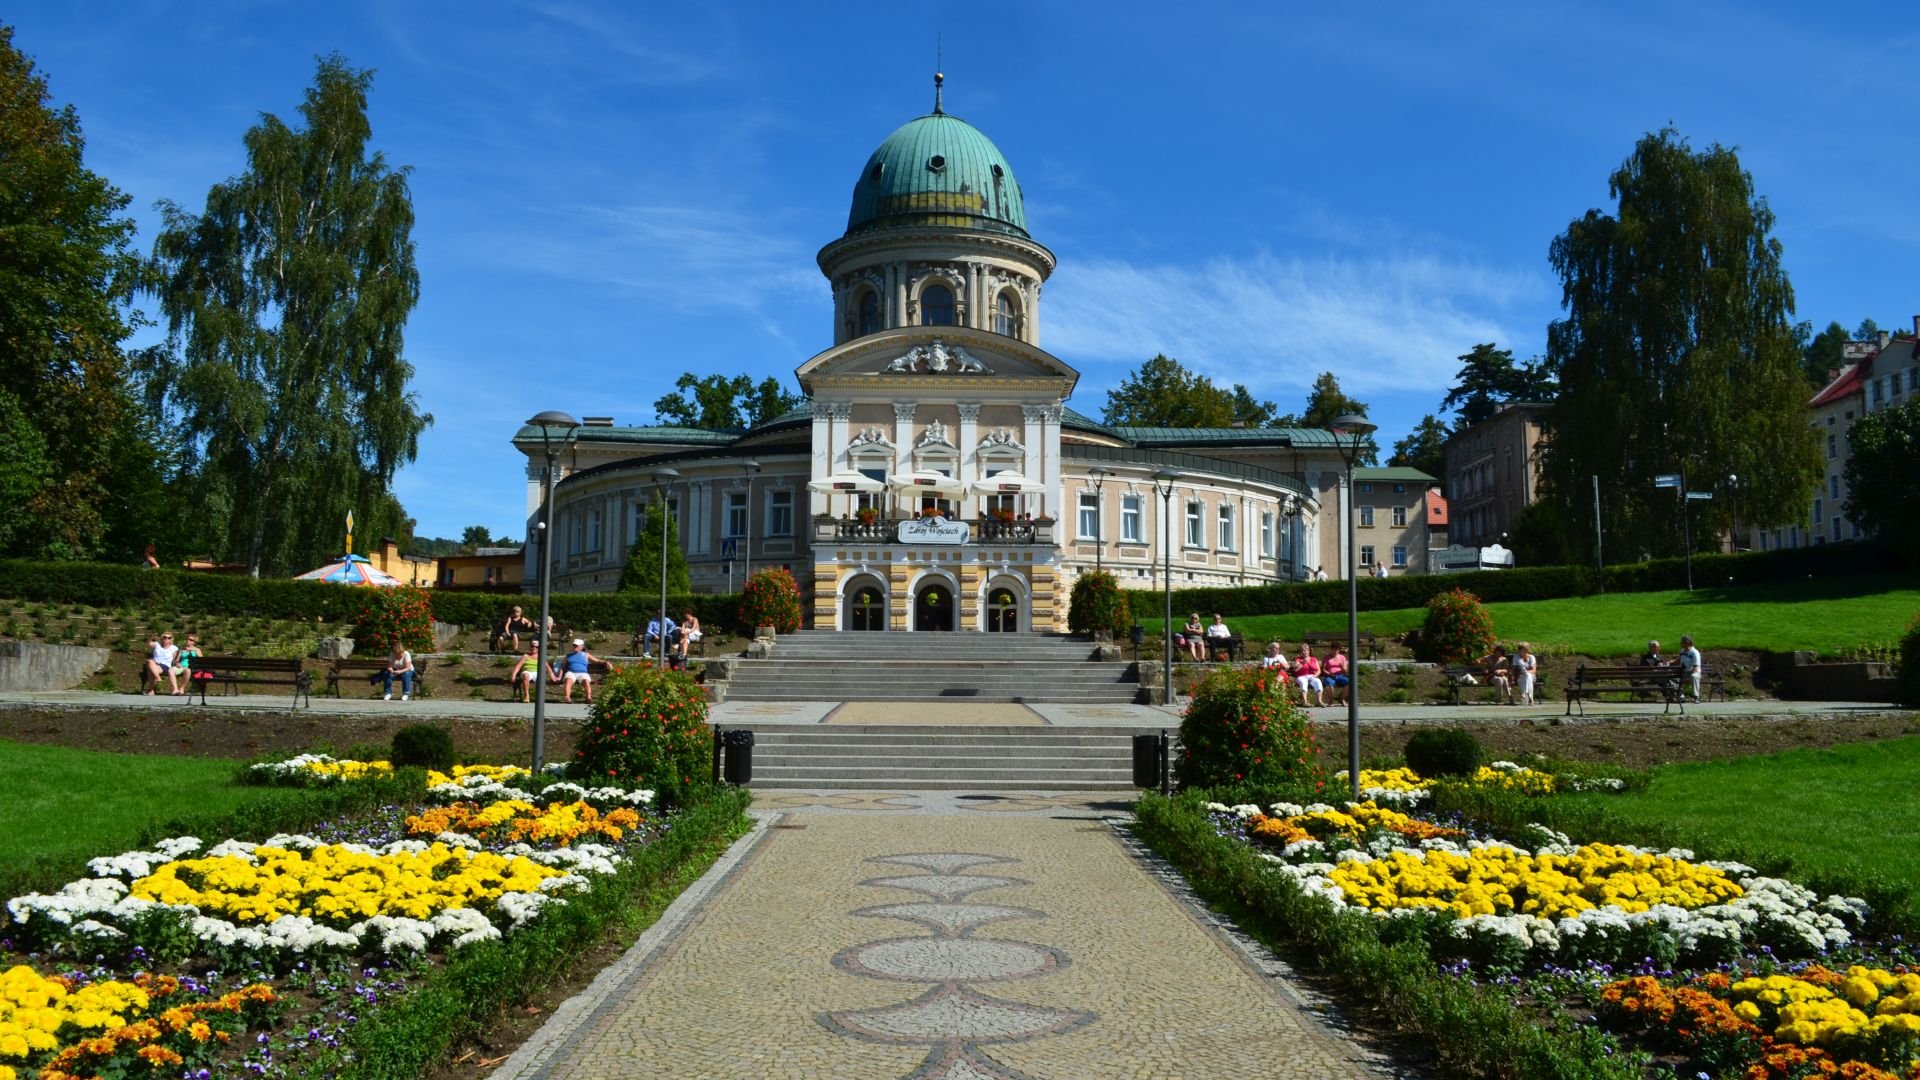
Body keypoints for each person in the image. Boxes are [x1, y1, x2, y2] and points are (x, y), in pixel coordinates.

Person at [558, 639, 598, 703]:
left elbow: (597, 661)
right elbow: (562, 667)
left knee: (586, 681)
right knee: (568, 680)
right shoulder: (568, 655)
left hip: (582, 673)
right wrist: (559, 677)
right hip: (571, 672)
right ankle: (567, 697)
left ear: (581, 647)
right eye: (574, 645)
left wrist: (606, 662)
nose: (574, 646)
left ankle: (588, 697)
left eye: (576, 645)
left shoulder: (585, 654)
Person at [1677, 634, 1703, 702]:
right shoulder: (1682, 651)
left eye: (1682, 642)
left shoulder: (1694, 652)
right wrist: (1668, 662)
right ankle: (1681, 697)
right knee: (1676, 678)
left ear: (1687, 643)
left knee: (1694, 677)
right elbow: (1678, 660)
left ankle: (1696, 697)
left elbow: (1696, 667)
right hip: (1685, 672)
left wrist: (1689, 677)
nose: (1680, 644)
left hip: (1694, 671)